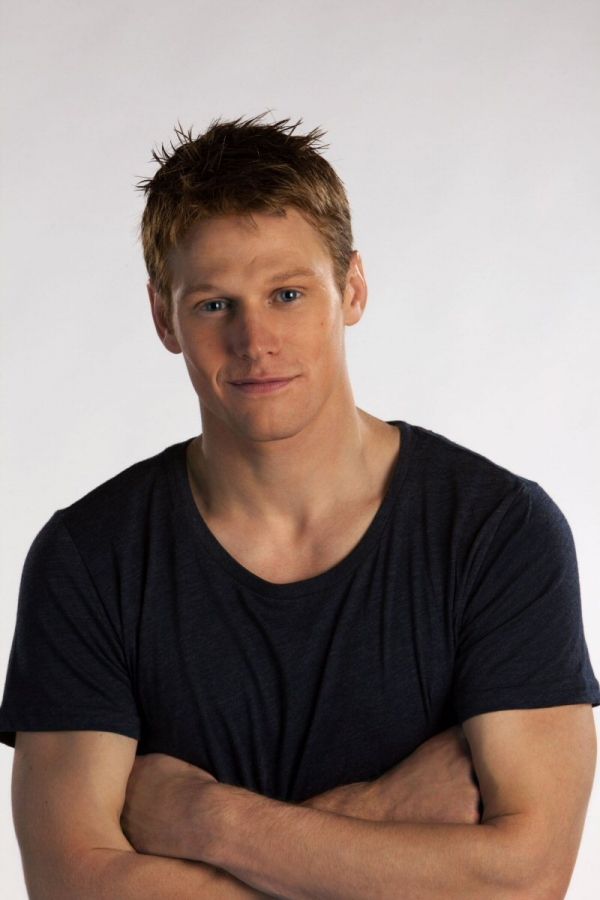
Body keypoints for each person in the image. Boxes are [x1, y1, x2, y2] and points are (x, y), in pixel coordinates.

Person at [0, 111, 598, 899]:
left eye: (287, 294)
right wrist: (387, 818)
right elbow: (71, 886)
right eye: (214, 304)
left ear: (352, 289)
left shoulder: (498, 532)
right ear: (162, 316)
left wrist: (208, 819)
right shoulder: (89, 557)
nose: (255, 341)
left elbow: (525, 882)